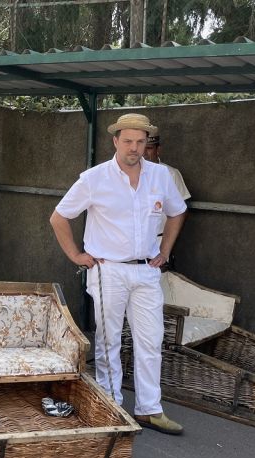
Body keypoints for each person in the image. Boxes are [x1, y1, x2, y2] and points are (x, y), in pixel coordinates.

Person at [50, 113, 187, 435]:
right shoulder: (94, 178)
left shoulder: (160, 176)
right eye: (128, 141)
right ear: (115, 141)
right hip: (108, 269)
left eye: (140, 141)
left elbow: (178, 211)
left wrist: (165, 250)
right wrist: (76, 255)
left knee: (151, 340)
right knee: (109, 340)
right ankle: (110, 405)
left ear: (147, 143)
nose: (134, 148)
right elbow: (59, 217)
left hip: (146, 270)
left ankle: (150, 409)